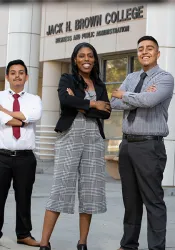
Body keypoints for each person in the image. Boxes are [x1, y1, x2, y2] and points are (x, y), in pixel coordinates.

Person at [39, 42, 111, 250]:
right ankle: (44, 242)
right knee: (60, 188)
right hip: (70, 136)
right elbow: (64, 100)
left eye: (90, 55)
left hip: (94, 139)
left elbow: (106, 112)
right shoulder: (67, 79)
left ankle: (82, 243)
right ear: (75, 59)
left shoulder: (99, 85)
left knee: (89, 191)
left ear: (95, 60)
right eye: (82, 56)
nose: (86, 59)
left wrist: (82, 105)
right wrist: (92, 104)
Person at [111, 35, 174, 250]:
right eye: (140, 48)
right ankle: (128, 245)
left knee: (153, 200)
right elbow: (113, 102)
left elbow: (149, 101)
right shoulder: (131, 77)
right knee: (130, 200)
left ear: (158, 53)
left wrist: (125, 95)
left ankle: (156, 248)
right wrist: (133, 97)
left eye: (149, 48)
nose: (144, 51)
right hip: (127, 145)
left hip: (149, 146)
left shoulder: (164, 78)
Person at [0, 59, 42, 247]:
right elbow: (23, 119)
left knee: (24, 197)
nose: (17, 75)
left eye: (21, 72)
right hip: (1, 156)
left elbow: (34, 116)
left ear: (26, 76)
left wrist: (5, 112)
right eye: (13, 72)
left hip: (25, 158)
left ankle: (23, 234)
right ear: (7, 76)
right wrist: (21, 119)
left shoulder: (34, 99)